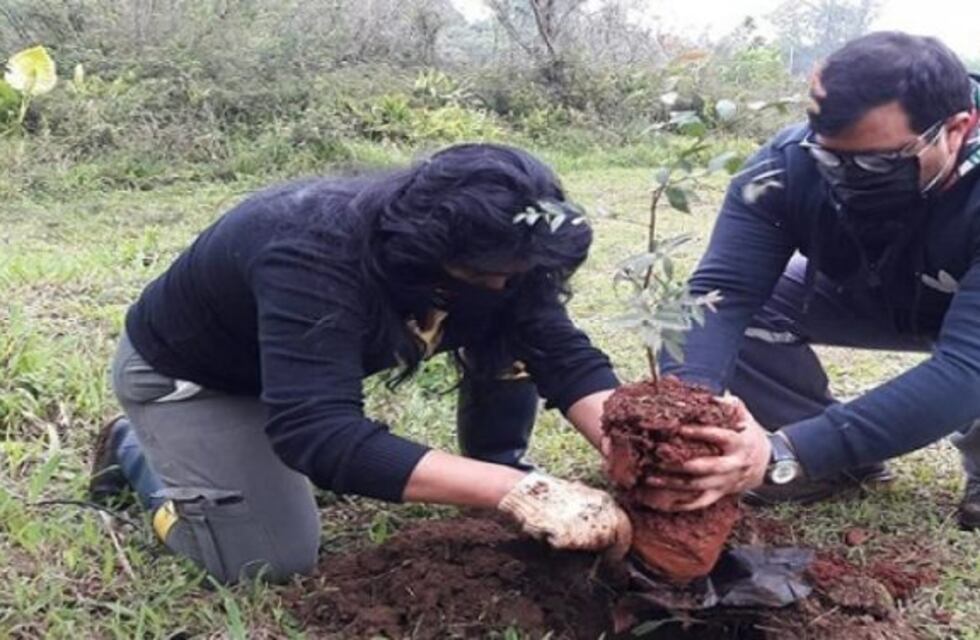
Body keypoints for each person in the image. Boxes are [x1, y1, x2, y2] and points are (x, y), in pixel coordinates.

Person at [88, 143, 631, 584]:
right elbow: (319, 434)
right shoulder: (309, 251)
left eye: (517, 274)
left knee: (513, 327)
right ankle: (137, 457)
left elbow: (560, 352)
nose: (504, 287)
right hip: (196, 378)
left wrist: (630, 444)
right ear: (424, 251)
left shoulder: (506, 253)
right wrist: (516, 491)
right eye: (488, 275)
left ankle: (495, 456)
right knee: (266, 560)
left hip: (295, 368)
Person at [647, 31, 980, 531]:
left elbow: (968, 365)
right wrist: (688, 417)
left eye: (875, 162)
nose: (847, 176)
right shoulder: (786, 165)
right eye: (832, 159)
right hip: (876, 293)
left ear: (956, 128)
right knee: (705, 309)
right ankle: (840, 461)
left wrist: (786, 452)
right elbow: (722, 294)